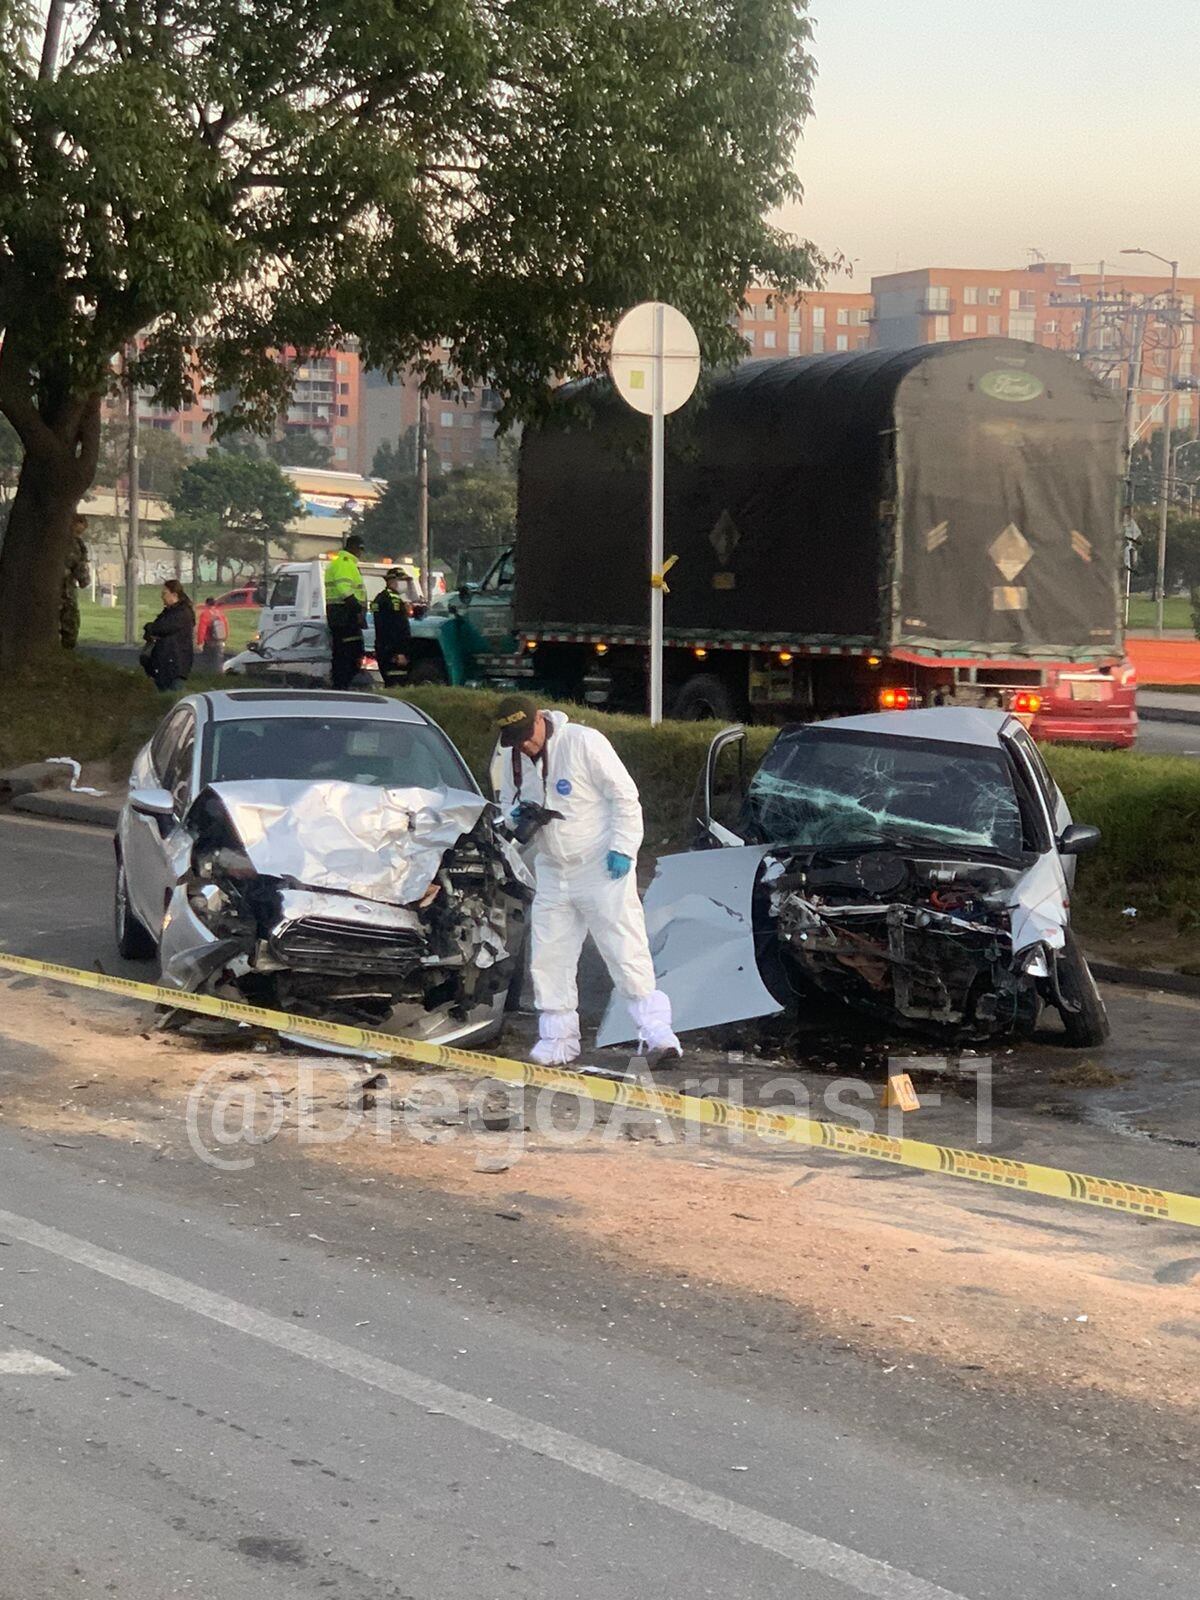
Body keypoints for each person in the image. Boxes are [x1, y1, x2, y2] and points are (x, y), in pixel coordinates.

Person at [494, 694, 682, 1068]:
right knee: (549, 955)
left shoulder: (582, 742)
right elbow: (506, 809)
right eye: (514, 738)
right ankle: (558, 1040)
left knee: (624, 948)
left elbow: (624, 797)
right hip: (552, 868)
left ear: (539, 720)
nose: (525, 744)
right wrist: (516, 819)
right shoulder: (510, 758)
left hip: (599, 865)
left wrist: (624, 848)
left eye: (526, 734)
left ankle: (658, 1035)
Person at [324, 533, 367, 690]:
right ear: (353, 547)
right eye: (360, 549)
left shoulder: (345, 563)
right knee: (349, 653)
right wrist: (356, 608)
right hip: (344, 615)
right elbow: (344, 588)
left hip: (342, 615)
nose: (361, 553)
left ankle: (341, 685)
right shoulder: (344, 563)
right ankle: (342, 686)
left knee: (345, 653)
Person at [141, 580, 195, 692]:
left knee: (172, 698)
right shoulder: (168, 612)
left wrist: (150, 628)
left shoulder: (182, 613)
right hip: (162, 666)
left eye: (164, 593)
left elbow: (161, 628)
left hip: (174, 667)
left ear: (174, 595)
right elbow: (154, 629)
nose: (162, 596)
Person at [370, 567, 413, 687]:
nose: (404, 584)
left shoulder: (380, 598)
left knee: (390, 682)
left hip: (383, 647)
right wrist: (400, 651)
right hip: (393, 651)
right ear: (391, 581)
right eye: (402, 580)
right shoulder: (393, 600)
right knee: (397, 683)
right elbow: (397, 627)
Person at [59, 515, 91, 649]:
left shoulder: (50, 541)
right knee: (70, 626)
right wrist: (85, 580)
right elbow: (80, 571)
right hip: (65, 593)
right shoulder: (75, 544)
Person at [195, 597, 228, 674]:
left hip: (209, 642)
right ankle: (218, 674)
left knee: (208, 660)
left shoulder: (205, 614)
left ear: (206, 604)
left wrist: (200, 642)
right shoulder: (220, 613)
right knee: (218, 660)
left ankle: (209, 675)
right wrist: (225, 637)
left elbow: (202, 629)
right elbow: (226, 626)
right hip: (220, 641)